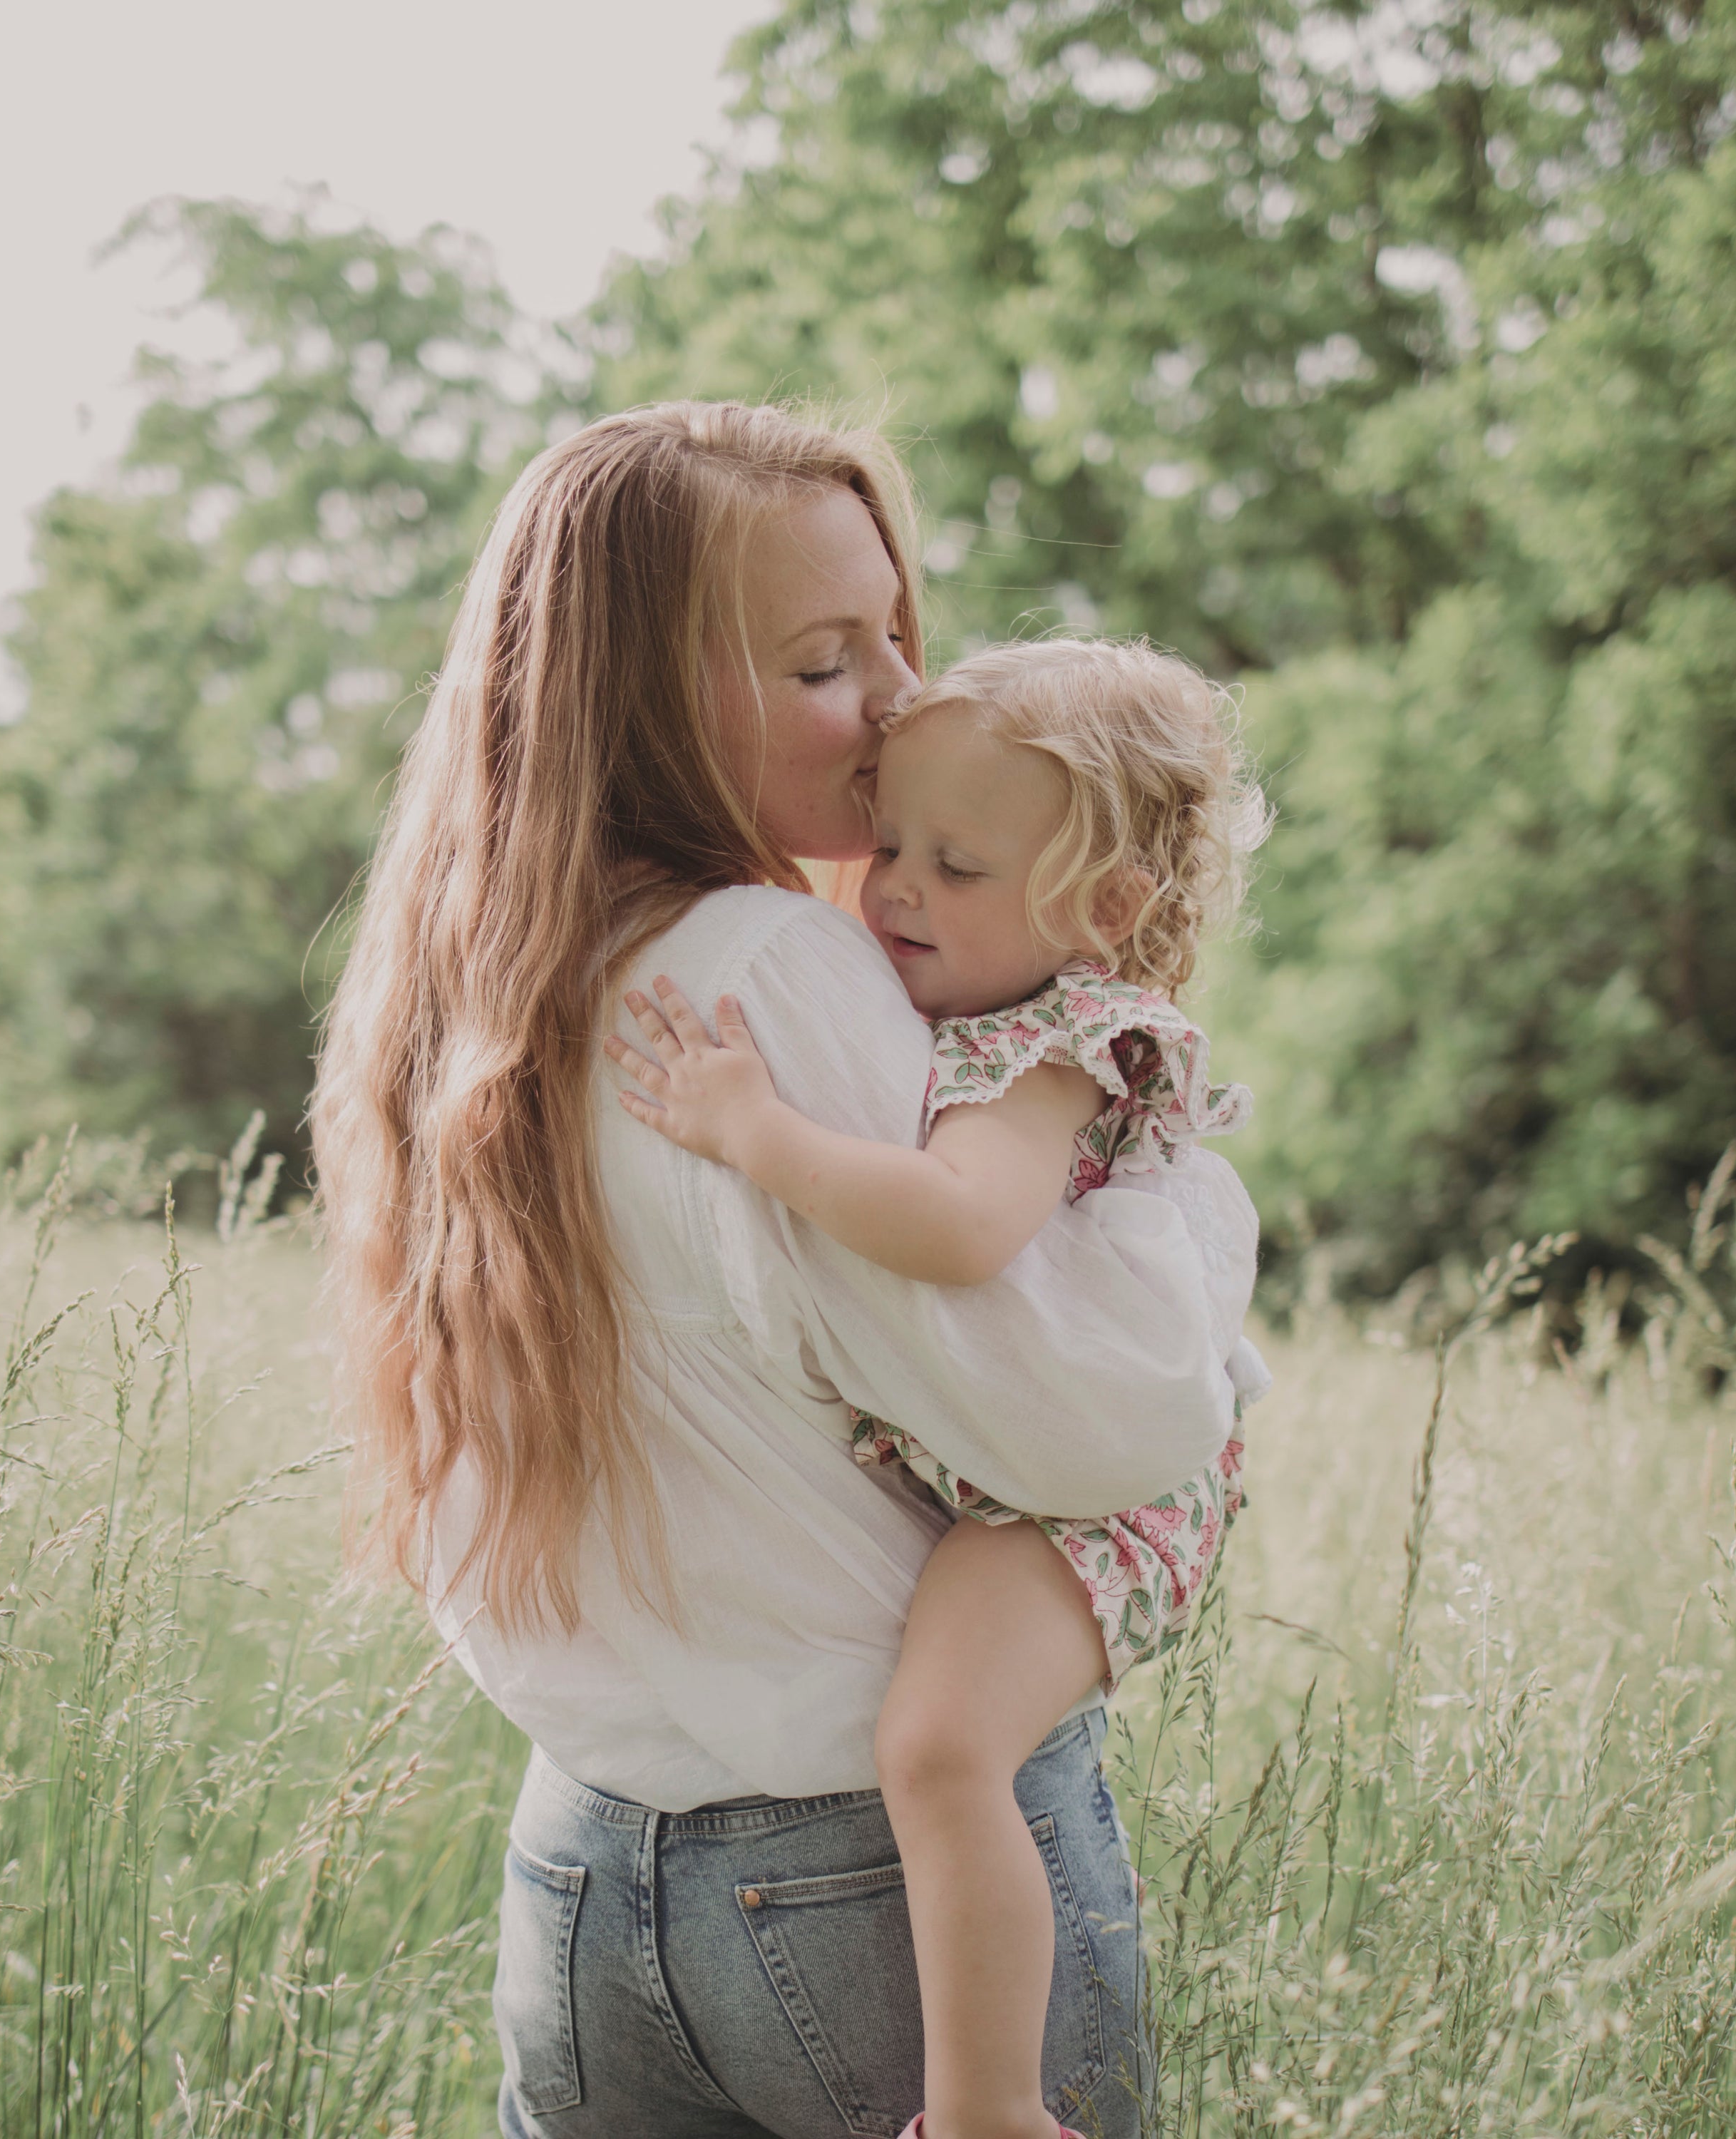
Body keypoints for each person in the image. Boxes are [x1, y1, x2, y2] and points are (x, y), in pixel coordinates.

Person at [312, 402, 1242, 2138]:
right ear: (647, 701)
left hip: (586, 1860)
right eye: (829, 661)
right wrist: (1188, 1202)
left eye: (901, 630)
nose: (900, 695)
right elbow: (1113, 1420)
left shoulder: (471, 998)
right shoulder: (770, 971)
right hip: (866, 1871)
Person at [607, 637, 1269, 2139]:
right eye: (890, 842)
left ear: (1106, 913)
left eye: (956, 865)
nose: (898, 886)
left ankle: (989, 2110)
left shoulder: (1051, 1047)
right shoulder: (971, 1005)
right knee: (937, 1739)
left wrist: (755, 1130)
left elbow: (964, 1230)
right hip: (1021, 1491)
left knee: (940, 1744)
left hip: (1088, 1510)